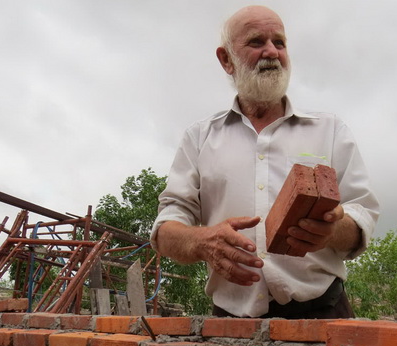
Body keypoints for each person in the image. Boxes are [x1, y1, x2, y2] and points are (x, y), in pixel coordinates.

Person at [150, 5, 379, 318]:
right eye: (256, 42)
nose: (272, 52)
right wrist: (203, 241)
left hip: (324, 317)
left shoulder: (330, 130)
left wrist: (332, 229)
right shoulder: (199, 138)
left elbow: (362, 213)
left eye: (280, 43)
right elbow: (165, 230)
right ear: (226, 60)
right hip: (231, 326)